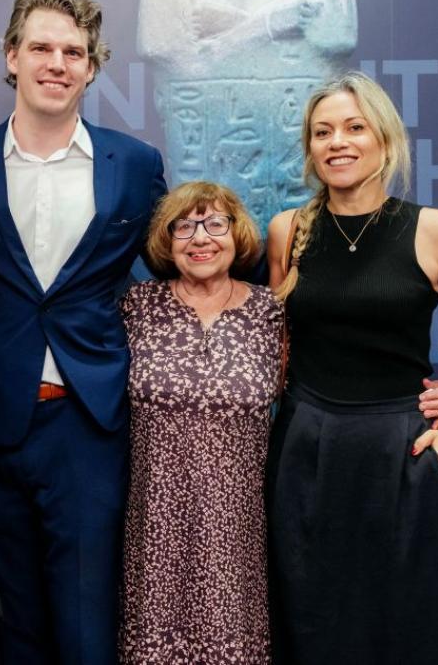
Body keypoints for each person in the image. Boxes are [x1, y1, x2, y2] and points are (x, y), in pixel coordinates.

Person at [0, 0, 168, 662]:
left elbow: (184, 271)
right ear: (12, 56)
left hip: (88, 425)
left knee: (88, 627)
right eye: (41, 47)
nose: (57, 63)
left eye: (74, 52)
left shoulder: (136, 167)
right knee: (6, 628)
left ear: (92, 68)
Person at [266, 72, 438, 664]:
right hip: (304, 452)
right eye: (322, 132)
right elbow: (274, 357)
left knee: (410, 626)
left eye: (354, 127)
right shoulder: (287, 230)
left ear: (384, 138)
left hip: (400, 453)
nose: (337, 142)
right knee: (309, 624)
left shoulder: (434, 231)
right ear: (310, 148)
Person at [119, 181, 282, 663]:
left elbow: (323, 383)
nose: (200, 237)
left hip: (240, 529)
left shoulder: (270, 312)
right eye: (183, 226)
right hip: (155, 522)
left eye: (215, 223)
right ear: (167, 242)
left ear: (238, 235)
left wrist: (423, 396)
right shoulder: (136, 307)